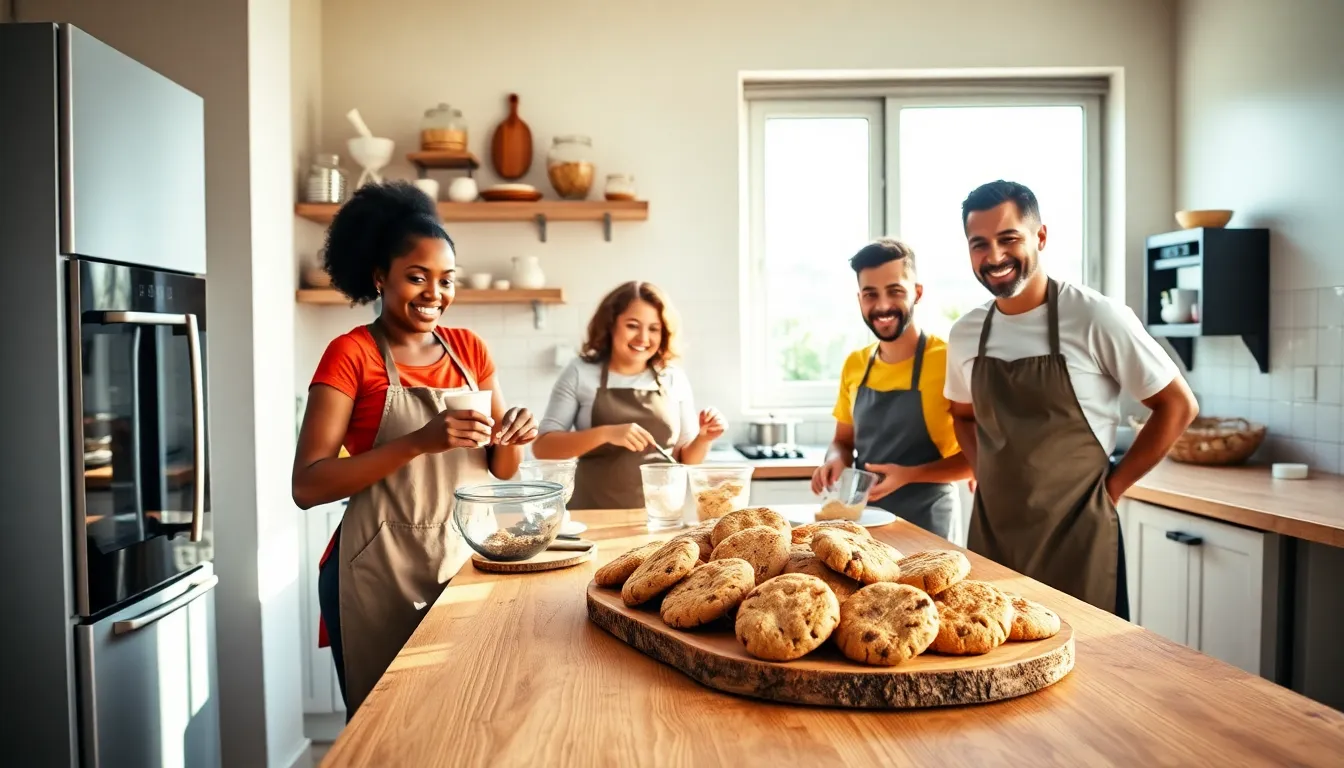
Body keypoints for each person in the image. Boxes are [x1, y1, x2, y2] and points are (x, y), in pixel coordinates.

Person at [291, 181, 538, 717]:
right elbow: (307, 486)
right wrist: (420, 441)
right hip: (375, 568)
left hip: (463, 559)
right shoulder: (351, 354)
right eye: (417, 277)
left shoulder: (469, 349)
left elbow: (500, 469)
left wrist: (512, 434)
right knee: (384, 731)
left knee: (467, 718)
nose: (434, 293)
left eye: (446, 280)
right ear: (380, 277)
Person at [945, 180, 1198, 619]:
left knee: (1091, 671)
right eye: (979, 244)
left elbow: (1178, 405)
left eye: (1009, 239)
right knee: (995, 662)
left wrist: (1113, 490)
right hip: (994, 534)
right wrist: (985, 469)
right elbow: (962, 417)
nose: (995, 256)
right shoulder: (966, 333)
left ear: (1040, 237)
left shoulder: (1095, 316)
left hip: (1078, 536)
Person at [811, 238, 973, 540]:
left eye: (895, 291)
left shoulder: (949, 360)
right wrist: (834, 461)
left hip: (929, 525)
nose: (883, 306)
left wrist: (911, 474)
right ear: (860, 299)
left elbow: (977, 459)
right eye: (871, 294)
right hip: (862, 525)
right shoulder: (856, 364)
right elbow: (843, 442)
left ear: (917, 293)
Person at [531, 280, 726, 509]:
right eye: (632, 325)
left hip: (659, 515)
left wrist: (704, 437)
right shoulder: (580, 372)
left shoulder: (673, 377)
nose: (643, 338)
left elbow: (687, 459)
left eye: (654, 328)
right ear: (611, 325)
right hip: (592, 512)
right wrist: (606, 433)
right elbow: (543, 447)